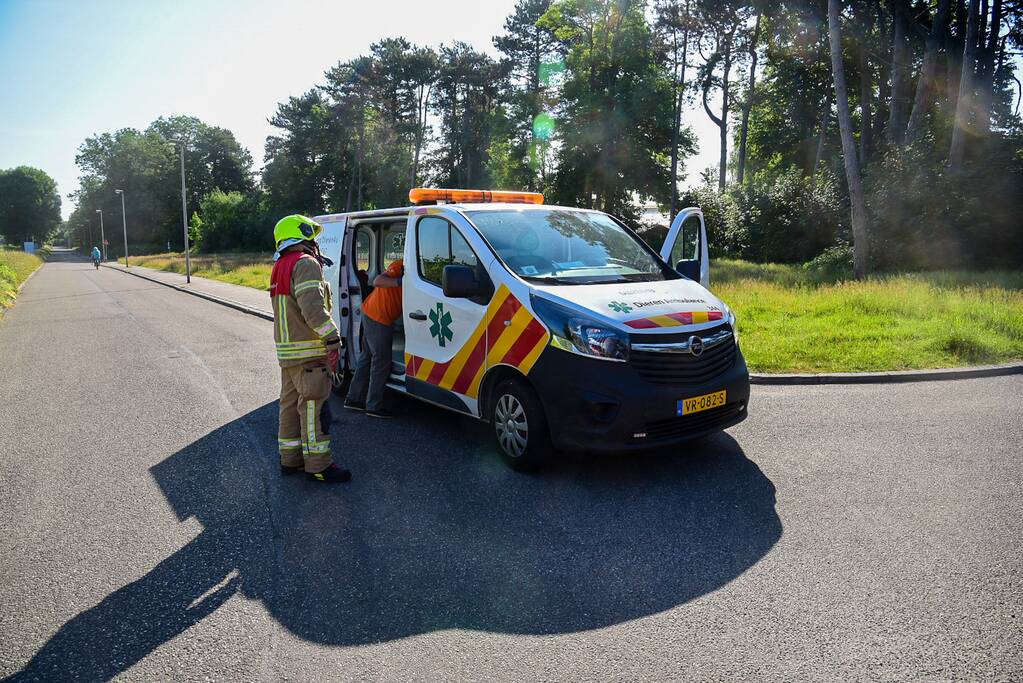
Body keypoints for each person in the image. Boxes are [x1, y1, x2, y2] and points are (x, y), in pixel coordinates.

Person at [270, 214, 351, 483]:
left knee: (290, 407)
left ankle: (290, 460)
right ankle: (318, 465)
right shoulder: (305, 264)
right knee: (313, 409)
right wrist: (332, 339)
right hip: (309, 354)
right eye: (311, 236)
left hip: (288, 353)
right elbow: (313, 310)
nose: (315, 242)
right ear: (302, 236)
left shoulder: (281, 264)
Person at [345, 258, 403, 418]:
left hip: (372, 312)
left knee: (367, 356)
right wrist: (401, 281)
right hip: (378, 317)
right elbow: (378, 280)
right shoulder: (401, 265)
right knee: (381, 360)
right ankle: (374, 406)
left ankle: (354, 399)